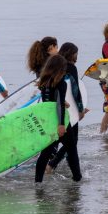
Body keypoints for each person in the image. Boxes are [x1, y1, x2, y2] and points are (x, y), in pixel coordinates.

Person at [46, 42, 88, 180]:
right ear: (71, 53)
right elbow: (75, 91)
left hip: (54, 108)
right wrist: (80, 109)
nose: (77, 56)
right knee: (72, 142)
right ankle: (57, 167)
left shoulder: (55, 65)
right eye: (76, 53)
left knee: (64, 141)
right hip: (69, 111)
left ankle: (51, 165)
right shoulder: (71, 68)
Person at [33, 54, 69, 183]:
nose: (65, 70)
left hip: (47, 120)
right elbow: (58, 104)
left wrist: (63, 101)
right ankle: (77, 178)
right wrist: (61, 124)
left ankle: (38, 182)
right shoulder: (61, 83)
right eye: (64, 68)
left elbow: (50, 101)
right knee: (71, 145)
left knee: (46, 152)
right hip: (57, 120)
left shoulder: (45, 82)